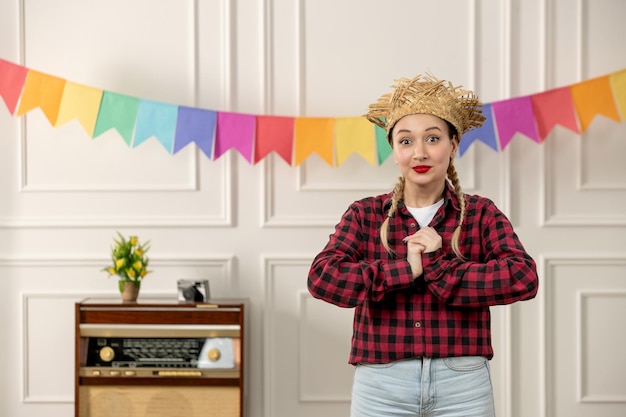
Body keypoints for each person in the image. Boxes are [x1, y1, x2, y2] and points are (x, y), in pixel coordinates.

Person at [307, 74, 539, 417]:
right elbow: (323, 278)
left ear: (454, 144)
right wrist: (405, 269)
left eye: (432, 138)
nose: (420, 152)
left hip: (463, 384)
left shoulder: (480, 214)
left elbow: (522, 277)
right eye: (406, 141)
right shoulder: (366, 214)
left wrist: (439, 266)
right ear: (394, 149)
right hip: (381, 383)